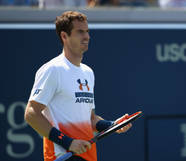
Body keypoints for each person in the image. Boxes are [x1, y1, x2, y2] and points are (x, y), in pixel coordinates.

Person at [24, 11, 132, 161]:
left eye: (87, 31)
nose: (87, 36)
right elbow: (31, 113)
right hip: (63, 157)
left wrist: (113, 125)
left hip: (88, 156)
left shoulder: (88, 72)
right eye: (80, 32)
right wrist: (68, 142)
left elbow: (91, 119)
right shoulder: (52, 69)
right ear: (64, 36)